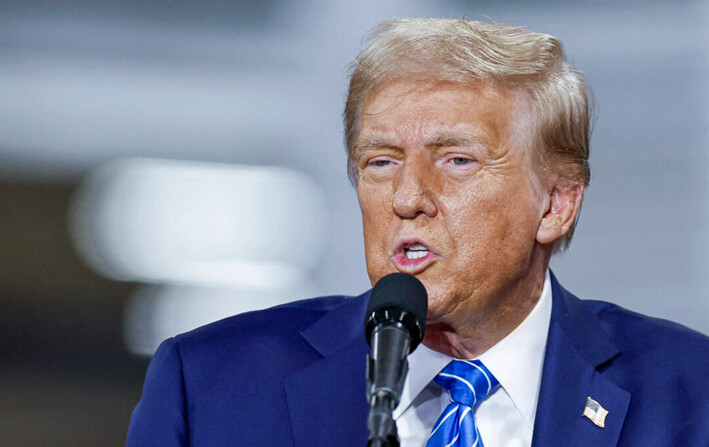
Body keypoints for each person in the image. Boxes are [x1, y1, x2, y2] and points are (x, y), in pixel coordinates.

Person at [126, 18, 709, 447]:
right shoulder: (210, 388)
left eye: (457, 160)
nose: (407, 198)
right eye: (381, 162)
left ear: (556, 203)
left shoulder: (688, 394)